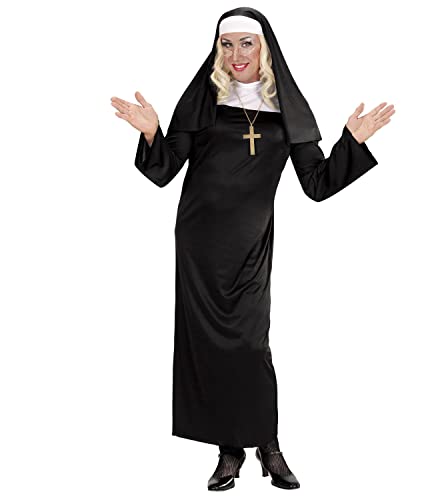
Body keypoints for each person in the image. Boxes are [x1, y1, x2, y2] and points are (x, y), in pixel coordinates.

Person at [110, 6, 395, 492]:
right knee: (208, 347)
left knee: (249, 345)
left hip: (250, 246)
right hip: (199, 245)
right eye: (227, 44)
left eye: (246, 43)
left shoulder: (287, 108)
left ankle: (269, 444)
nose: (236, 54)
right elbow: (163, 171)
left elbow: (317, 184)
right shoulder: (203, 99)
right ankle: (229, 450)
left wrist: (352, 141)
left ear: (265, 48)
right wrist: (152, 132)